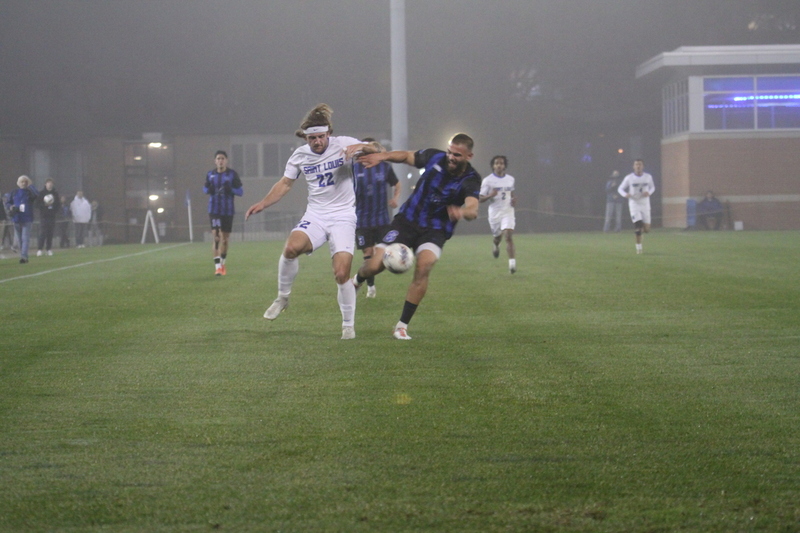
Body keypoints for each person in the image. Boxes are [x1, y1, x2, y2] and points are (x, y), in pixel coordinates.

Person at [244, 104, 380, 340]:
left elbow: (378, 150)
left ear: (328, 133)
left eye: (320, 137)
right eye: (312, 138)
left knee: (340, 274)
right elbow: (285, 184)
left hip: (343, 216)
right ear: (305, 137)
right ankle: (282, 298)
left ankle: (348, 325)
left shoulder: (343, 144)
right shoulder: (299, 155)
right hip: (316, 215)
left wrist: (363, 146)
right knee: (290, 248)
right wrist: (263, 203)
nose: (317, 142)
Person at [351, 133, 481, 340]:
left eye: (457, 154)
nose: (451, 157)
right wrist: (382, 157)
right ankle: (357, 280)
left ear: (469, 156)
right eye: (449, 151)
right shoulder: (434, 157)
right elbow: (405, 156)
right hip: (407, 221)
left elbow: (473, 209)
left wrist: (462, 212)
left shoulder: (471, 179)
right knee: (375, 265)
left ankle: (401, 326)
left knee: (424, 266)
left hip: (435, 229)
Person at [354, 137, 401, 298]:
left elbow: (397, 184)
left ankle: (364, 280)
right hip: (362, 220)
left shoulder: (384, 168)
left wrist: (395, 198)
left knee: (380, 255)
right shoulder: (354, 168)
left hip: (382, 220)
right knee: (368, 253)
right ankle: (371, 287)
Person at [204, 150, 243, 276]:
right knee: (216, 237)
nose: (220, 161)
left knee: (225, 240)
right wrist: (208, 189)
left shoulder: (232, 174)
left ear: (226, 160)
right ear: (215, 161)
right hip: (214, 210)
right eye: (218, 158)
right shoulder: (210, 175)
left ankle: (223, 263)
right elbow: (205, 188)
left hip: (228, 210)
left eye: (222, 158)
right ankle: (218, 267)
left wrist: (230, 189)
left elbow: (240, 192)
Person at [479, 155, 517, 274]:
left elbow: (511, 193)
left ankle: (512, 264)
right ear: (493, 166)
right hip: (495, 213)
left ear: (504, 165)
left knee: (508, 235)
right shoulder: (488, 180)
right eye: (496, 163)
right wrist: (490, 195)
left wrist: (513, 199)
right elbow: (480, 198)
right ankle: (496, 245)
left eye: (501, 163)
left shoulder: (510, 179)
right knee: (497, 237)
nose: (499, 165)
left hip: (508, 211)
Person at [617, 159, 655, 254]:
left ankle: (642, 228)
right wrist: (625, 194)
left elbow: (653, 187)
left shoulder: (648, 177)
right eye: (636, 164)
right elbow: (620, 188)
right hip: (634, 204)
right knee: (637, 227)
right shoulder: (629, 178)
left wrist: (649, 193)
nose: (638, 166)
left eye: (640, 164)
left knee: (646, 230)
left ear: (643, 166)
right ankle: (639, 248)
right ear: (633, 166)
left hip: (645, 204)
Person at [7, 175, 39, 263]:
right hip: (16, 218)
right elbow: (8, 202)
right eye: (22, 181)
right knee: (20, 239)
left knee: (25, 238)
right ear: (18, 183)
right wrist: (11, 207)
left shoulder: (29, 192)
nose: (24, 183)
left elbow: (37, 194)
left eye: (25, 181)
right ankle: (23, 255)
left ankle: (24, 256)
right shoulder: (14, 192)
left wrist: (31, 184)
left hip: (27, 218)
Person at [35, 178, 61, 256]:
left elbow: (58, 205)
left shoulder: (55, 194)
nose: (50, 184)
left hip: (52, 216)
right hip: (44, 216)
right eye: (48, 183)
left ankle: (48, 249)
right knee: (43, 232)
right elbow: (36, 204)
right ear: (45, 184)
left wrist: (53, 209)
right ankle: (40, 249)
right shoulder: (41, 193)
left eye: (51, 183)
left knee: (50, 233)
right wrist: (44, 206)